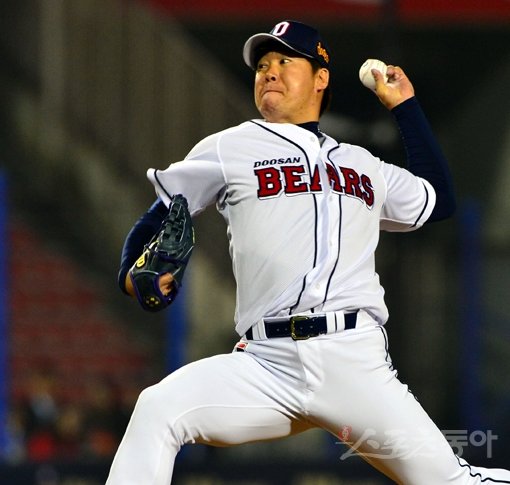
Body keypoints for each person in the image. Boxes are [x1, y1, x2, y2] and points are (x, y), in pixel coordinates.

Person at [106, 20, 510, 484]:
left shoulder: (363, 164)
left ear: (321, 78)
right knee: (159, 408)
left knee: (451, 481)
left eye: (284, 60)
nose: (269, 72)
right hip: (265, 364)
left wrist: (406, 108)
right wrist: (130, 275)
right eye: (262, 65)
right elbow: (159, 214)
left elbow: (438, 200)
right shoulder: (228, 148)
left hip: (352, 362)